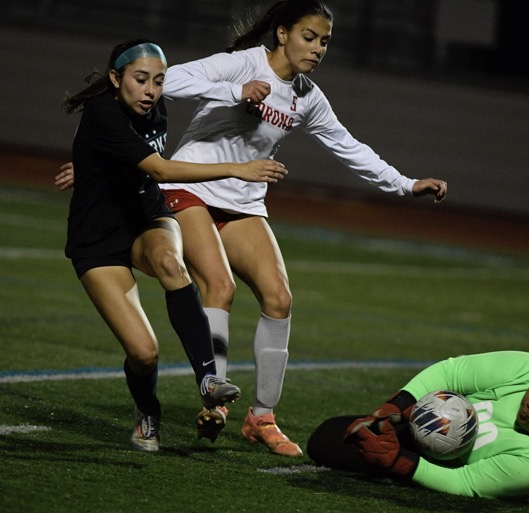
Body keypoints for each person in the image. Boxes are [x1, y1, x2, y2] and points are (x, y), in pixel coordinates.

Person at [156, 0, 448, 457]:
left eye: (325, 41)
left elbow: (350, 147)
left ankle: (262, 418)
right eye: (309, 37)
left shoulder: (307, 96)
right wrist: (235, 93)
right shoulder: (242, 64)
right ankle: (216, 403)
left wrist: (406, 184)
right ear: (282, 34)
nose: (317, 49)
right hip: (190, 185)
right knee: (220, 285)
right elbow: (168, 79)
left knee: (279, 298)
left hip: (244, 201)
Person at [59, 38, 287, 452]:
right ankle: (147, 410)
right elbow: (160, 167)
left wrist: (93, 161)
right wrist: (238, 169)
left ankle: (208, 378)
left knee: (170, 261)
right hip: (97, 238)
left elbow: (140, 165)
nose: (151, 90)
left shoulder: (153, 108)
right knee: (144, 353)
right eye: (141, 79)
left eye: (159, 81)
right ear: (116, 78)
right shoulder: (103, 111)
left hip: (147, 217)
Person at [306, 350, 529, 499]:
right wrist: (397, 406)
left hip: (435, 466)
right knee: (326, 438)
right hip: (413, 427)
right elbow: (452, 372)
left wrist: (399, 464)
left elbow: (465, 484)